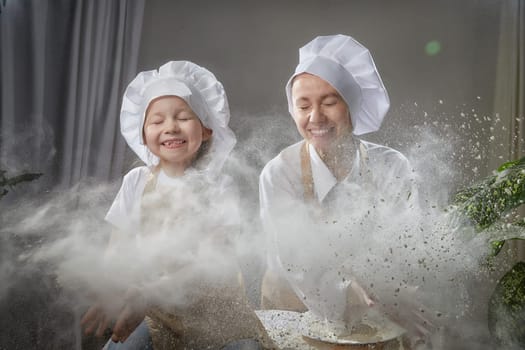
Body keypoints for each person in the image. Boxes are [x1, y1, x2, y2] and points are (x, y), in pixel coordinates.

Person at [81, 61, 273, 350]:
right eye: (157, 121)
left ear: (206, 129)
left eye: (183, 117)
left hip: (219, 315)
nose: (170, 127)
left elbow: (211, 262)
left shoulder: (218, 187)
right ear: (143, 135)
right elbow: (117, 250)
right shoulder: (136, 182)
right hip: (154, 311)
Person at [259, 35, 431, 348]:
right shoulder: (280, 173)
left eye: (329, 102)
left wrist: (385, 290)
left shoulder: (392, 167)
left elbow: (407, 247)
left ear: (352, 105)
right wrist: (347, 291)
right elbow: (296, 262)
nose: (316, 118)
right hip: (294, 309)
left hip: (379, 313)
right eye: (303, 105)